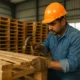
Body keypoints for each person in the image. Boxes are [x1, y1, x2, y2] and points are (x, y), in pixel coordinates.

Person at [31, 2, 80, 80]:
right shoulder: (52, 34)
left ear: (63, 22)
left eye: (52, 24)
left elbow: (73, 64)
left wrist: (48, 63)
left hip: (72, 74)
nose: (49, 28)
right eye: (48, 24)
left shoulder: (76, 36)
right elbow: (46, 47)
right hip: (56, 70)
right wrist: (40, 47)